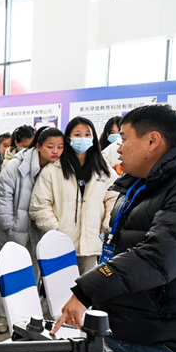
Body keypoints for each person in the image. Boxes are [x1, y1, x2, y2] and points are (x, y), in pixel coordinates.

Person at [52, 104, 176, 352]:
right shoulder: (144, 181)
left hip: (165, 344)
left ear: (152, 141)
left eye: (123, 139)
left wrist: (87, 290)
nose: (118, 148)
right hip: (136, 328)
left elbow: (158, 256)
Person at [30, 117, 119, 274]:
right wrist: (56, 230)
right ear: (69, 138)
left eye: (87, 134)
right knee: (60, 293)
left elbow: (115, 197)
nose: (82, 138)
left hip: (91, 245)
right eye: (77, 134)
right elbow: (39, 205)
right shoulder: (53, 169)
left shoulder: (103, 168)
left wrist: (106, 225)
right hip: (60, 245)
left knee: (86, 292)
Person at [0, 127, 65, 320]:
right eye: (50, 146)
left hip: (38, 232)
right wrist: (11, 227)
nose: (55, 151)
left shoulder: (58, 168)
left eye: (60, 146)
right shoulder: (16, 165)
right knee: (9, 273)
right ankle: (2, 317)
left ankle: (27, 318)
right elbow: (1, 200)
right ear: (39, 146)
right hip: (12, 231)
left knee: (33, 276)